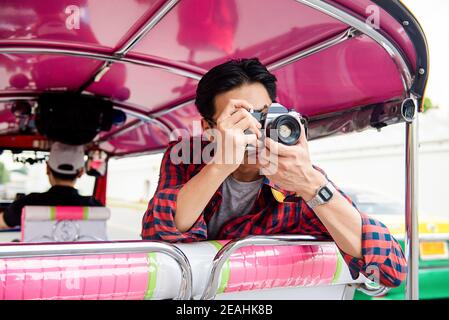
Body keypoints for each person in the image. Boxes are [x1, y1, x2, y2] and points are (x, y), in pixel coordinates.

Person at [141, 58, 407, 287]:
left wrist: (310, 184)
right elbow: (157, 236)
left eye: (264, 115)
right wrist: (220, 166)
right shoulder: (187, 156)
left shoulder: (296, 178)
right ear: (209, 127)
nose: (255, 129)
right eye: (239, 118)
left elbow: (389, 269)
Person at [0, 142, 103, 229]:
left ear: (47, 169)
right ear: (80, 172)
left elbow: (2, 223)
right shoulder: (95, 207)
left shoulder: (27, 204)